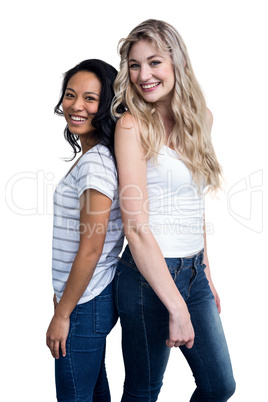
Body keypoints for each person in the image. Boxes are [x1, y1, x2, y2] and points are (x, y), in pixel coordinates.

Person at [112, 19, 236, 401]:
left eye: (154, 62)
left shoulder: (202, 120)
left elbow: (193, 205)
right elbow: (135, 227)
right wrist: (176, 305)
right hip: (147, 278)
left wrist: (206, 275)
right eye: (134, 65)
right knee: (144, 391)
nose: (143, 75)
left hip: (193, 271)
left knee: (219, 386)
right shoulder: (132, 126)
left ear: (176, 63)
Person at [46, 59, 124, 402]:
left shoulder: (96, 163)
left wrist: (63, 313)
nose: (76, 106)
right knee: (93, 392)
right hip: (86, 297)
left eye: (90, 99)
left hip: (86, 302)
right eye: (70, 95)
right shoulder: (96, 156)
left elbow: (91, 248)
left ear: (107, 105)